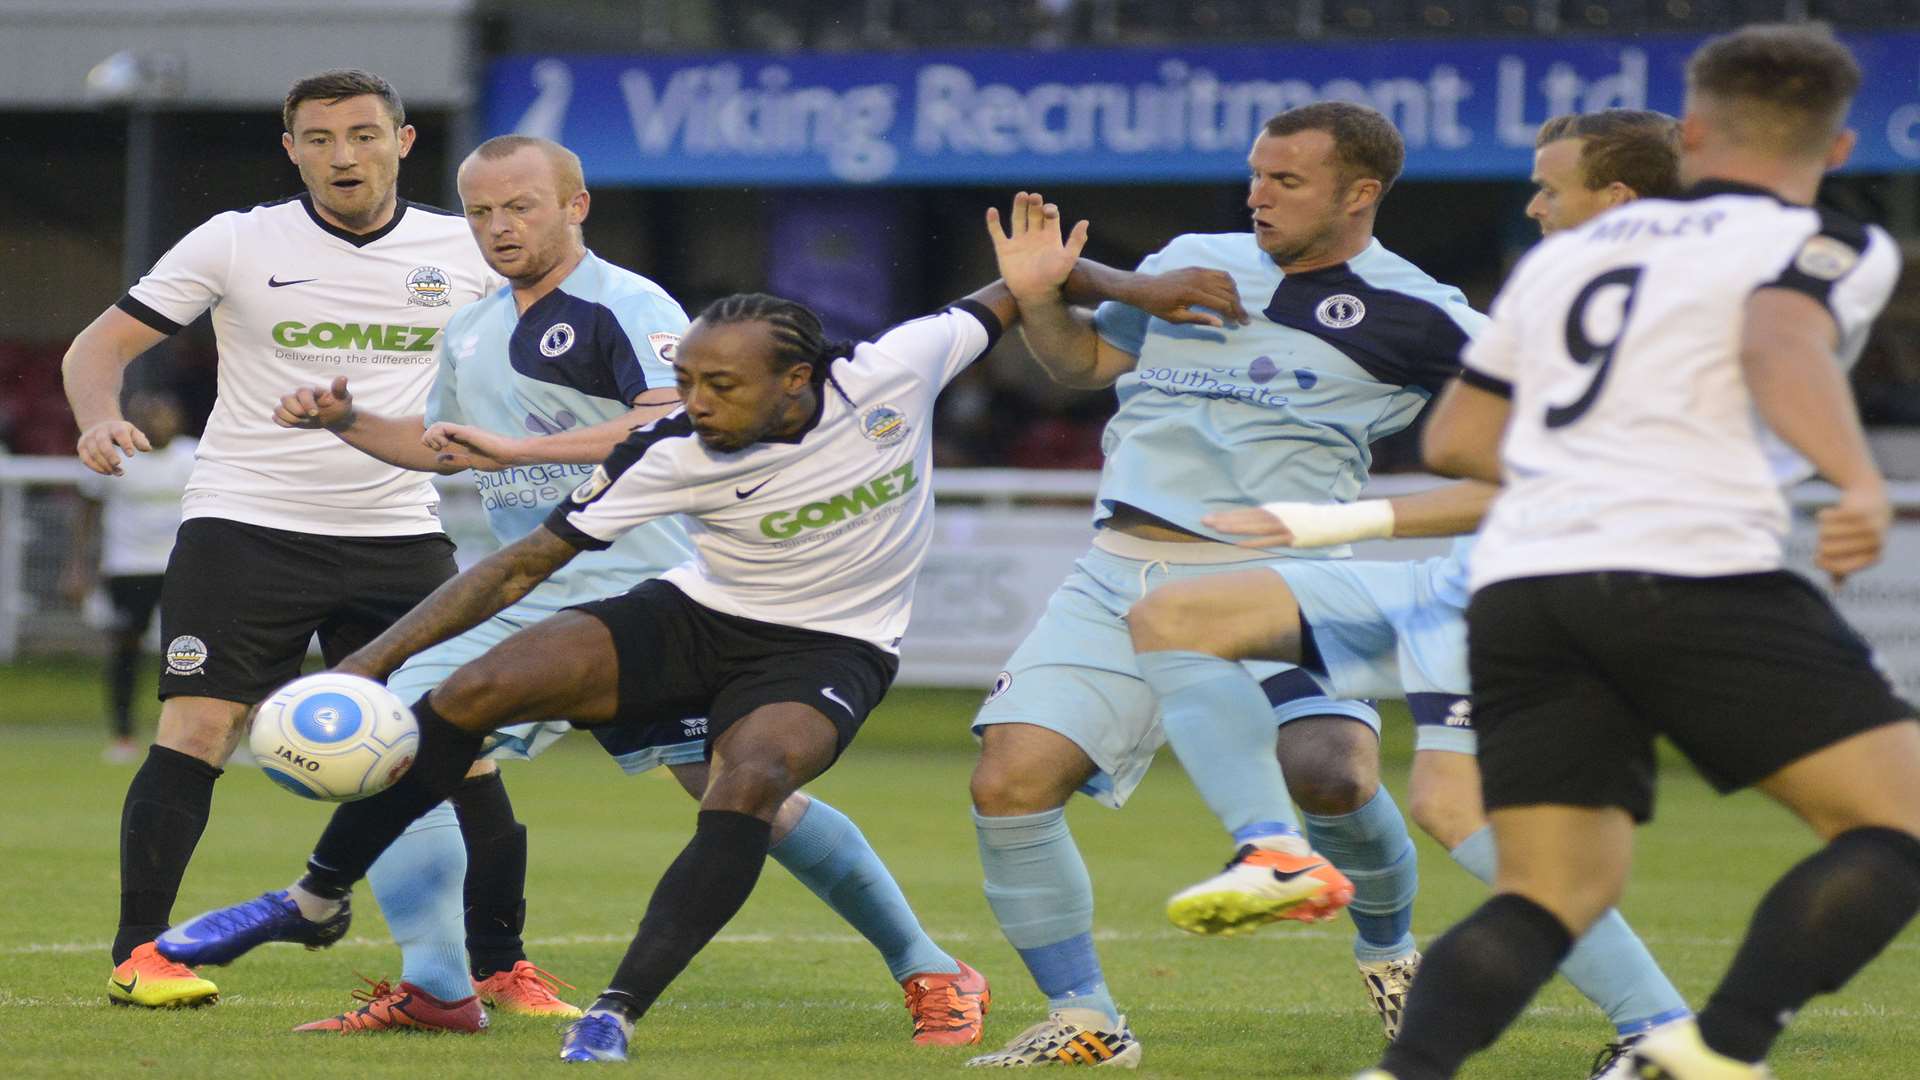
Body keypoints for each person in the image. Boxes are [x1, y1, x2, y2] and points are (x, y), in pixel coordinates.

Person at [152, 193, 1236, 1064]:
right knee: (468, 695)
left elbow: (1026, 286)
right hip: (699, 611)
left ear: (799, 382)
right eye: (685, 383)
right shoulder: (669, 446)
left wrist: (1144, 284)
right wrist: (372, 666)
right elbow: (528, 561)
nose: (693, 402)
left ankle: (618, 1009)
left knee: (748, 785)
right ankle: (316, 899)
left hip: (830, 646)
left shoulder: (897, 370)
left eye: (718, 386)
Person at [273, 133, 989, 1042]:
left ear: (575, 205)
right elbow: (444, 443)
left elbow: (667, 421)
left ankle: (930, 968)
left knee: (737, 792)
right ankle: (439, 983)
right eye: (482, 211)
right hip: (543, 587)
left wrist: (525, 452)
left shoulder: (625, 301)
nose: (499, 227)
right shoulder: (475, 324)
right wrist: (348, 421)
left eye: (520, 206)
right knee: (415, 739)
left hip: (639, 586)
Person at [1354, 25, 1919, 1080]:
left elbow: (1458, 443)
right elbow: (1778, 340)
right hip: (1685, 566)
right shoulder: (1829, 241)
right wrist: (1856, 478)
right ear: (1838, 148)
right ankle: (1713, 1054)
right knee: (1900, 825)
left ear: (1694, 134)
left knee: (1549, 893)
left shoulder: (1562, 258)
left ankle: (1404, 1073)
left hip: (1524, 589)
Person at [1127, 109, 1692, 1078]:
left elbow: (1537, 476)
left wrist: (1332, 523)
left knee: (1458, 809)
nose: (1531, 205)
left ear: (1619, 202)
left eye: (1550, 187)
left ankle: (1660, 1035)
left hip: (1535, 585)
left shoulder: (1648, 322)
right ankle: (1275, 847)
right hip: (1464, 575)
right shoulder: (1577, 300)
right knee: (1176, 611)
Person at [964, 102, 1489, 1068]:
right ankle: (1088, 1021)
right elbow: (1084, 362)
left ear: (1359, 195)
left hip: (1277, 577)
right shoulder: (1193, 260)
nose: (1259, 195)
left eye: (1287, 181)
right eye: (1257, 174)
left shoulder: (1425, 313)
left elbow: (1542, 413)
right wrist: (1040, 298)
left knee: (1330, 778)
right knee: (1008, 782)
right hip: (1119, 573)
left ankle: (1390, 953)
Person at [62, 69, 502, 1010]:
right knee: (200, 727)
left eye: (362, 134)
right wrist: (97, 418)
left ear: (404, 141)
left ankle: (500, 970)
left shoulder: (462, 250)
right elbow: (95, 350)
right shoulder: (236, 240)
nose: (343, 155)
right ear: (291, 147)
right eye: (319, 137)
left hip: (400, 530)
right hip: (246, 524)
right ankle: (143, 955)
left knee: (465, 744)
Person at [63, 391, 197, 763]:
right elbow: (86, 510)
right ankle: (122, 735)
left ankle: (198, 734)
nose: (159, 422)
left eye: (166, 413)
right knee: (125, 649)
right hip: (127, 567)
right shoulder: (112, 454)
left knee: (193, 651)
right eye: (149, 416)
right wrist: (77, 566)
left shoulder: (196, 456)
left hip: (183, 567)